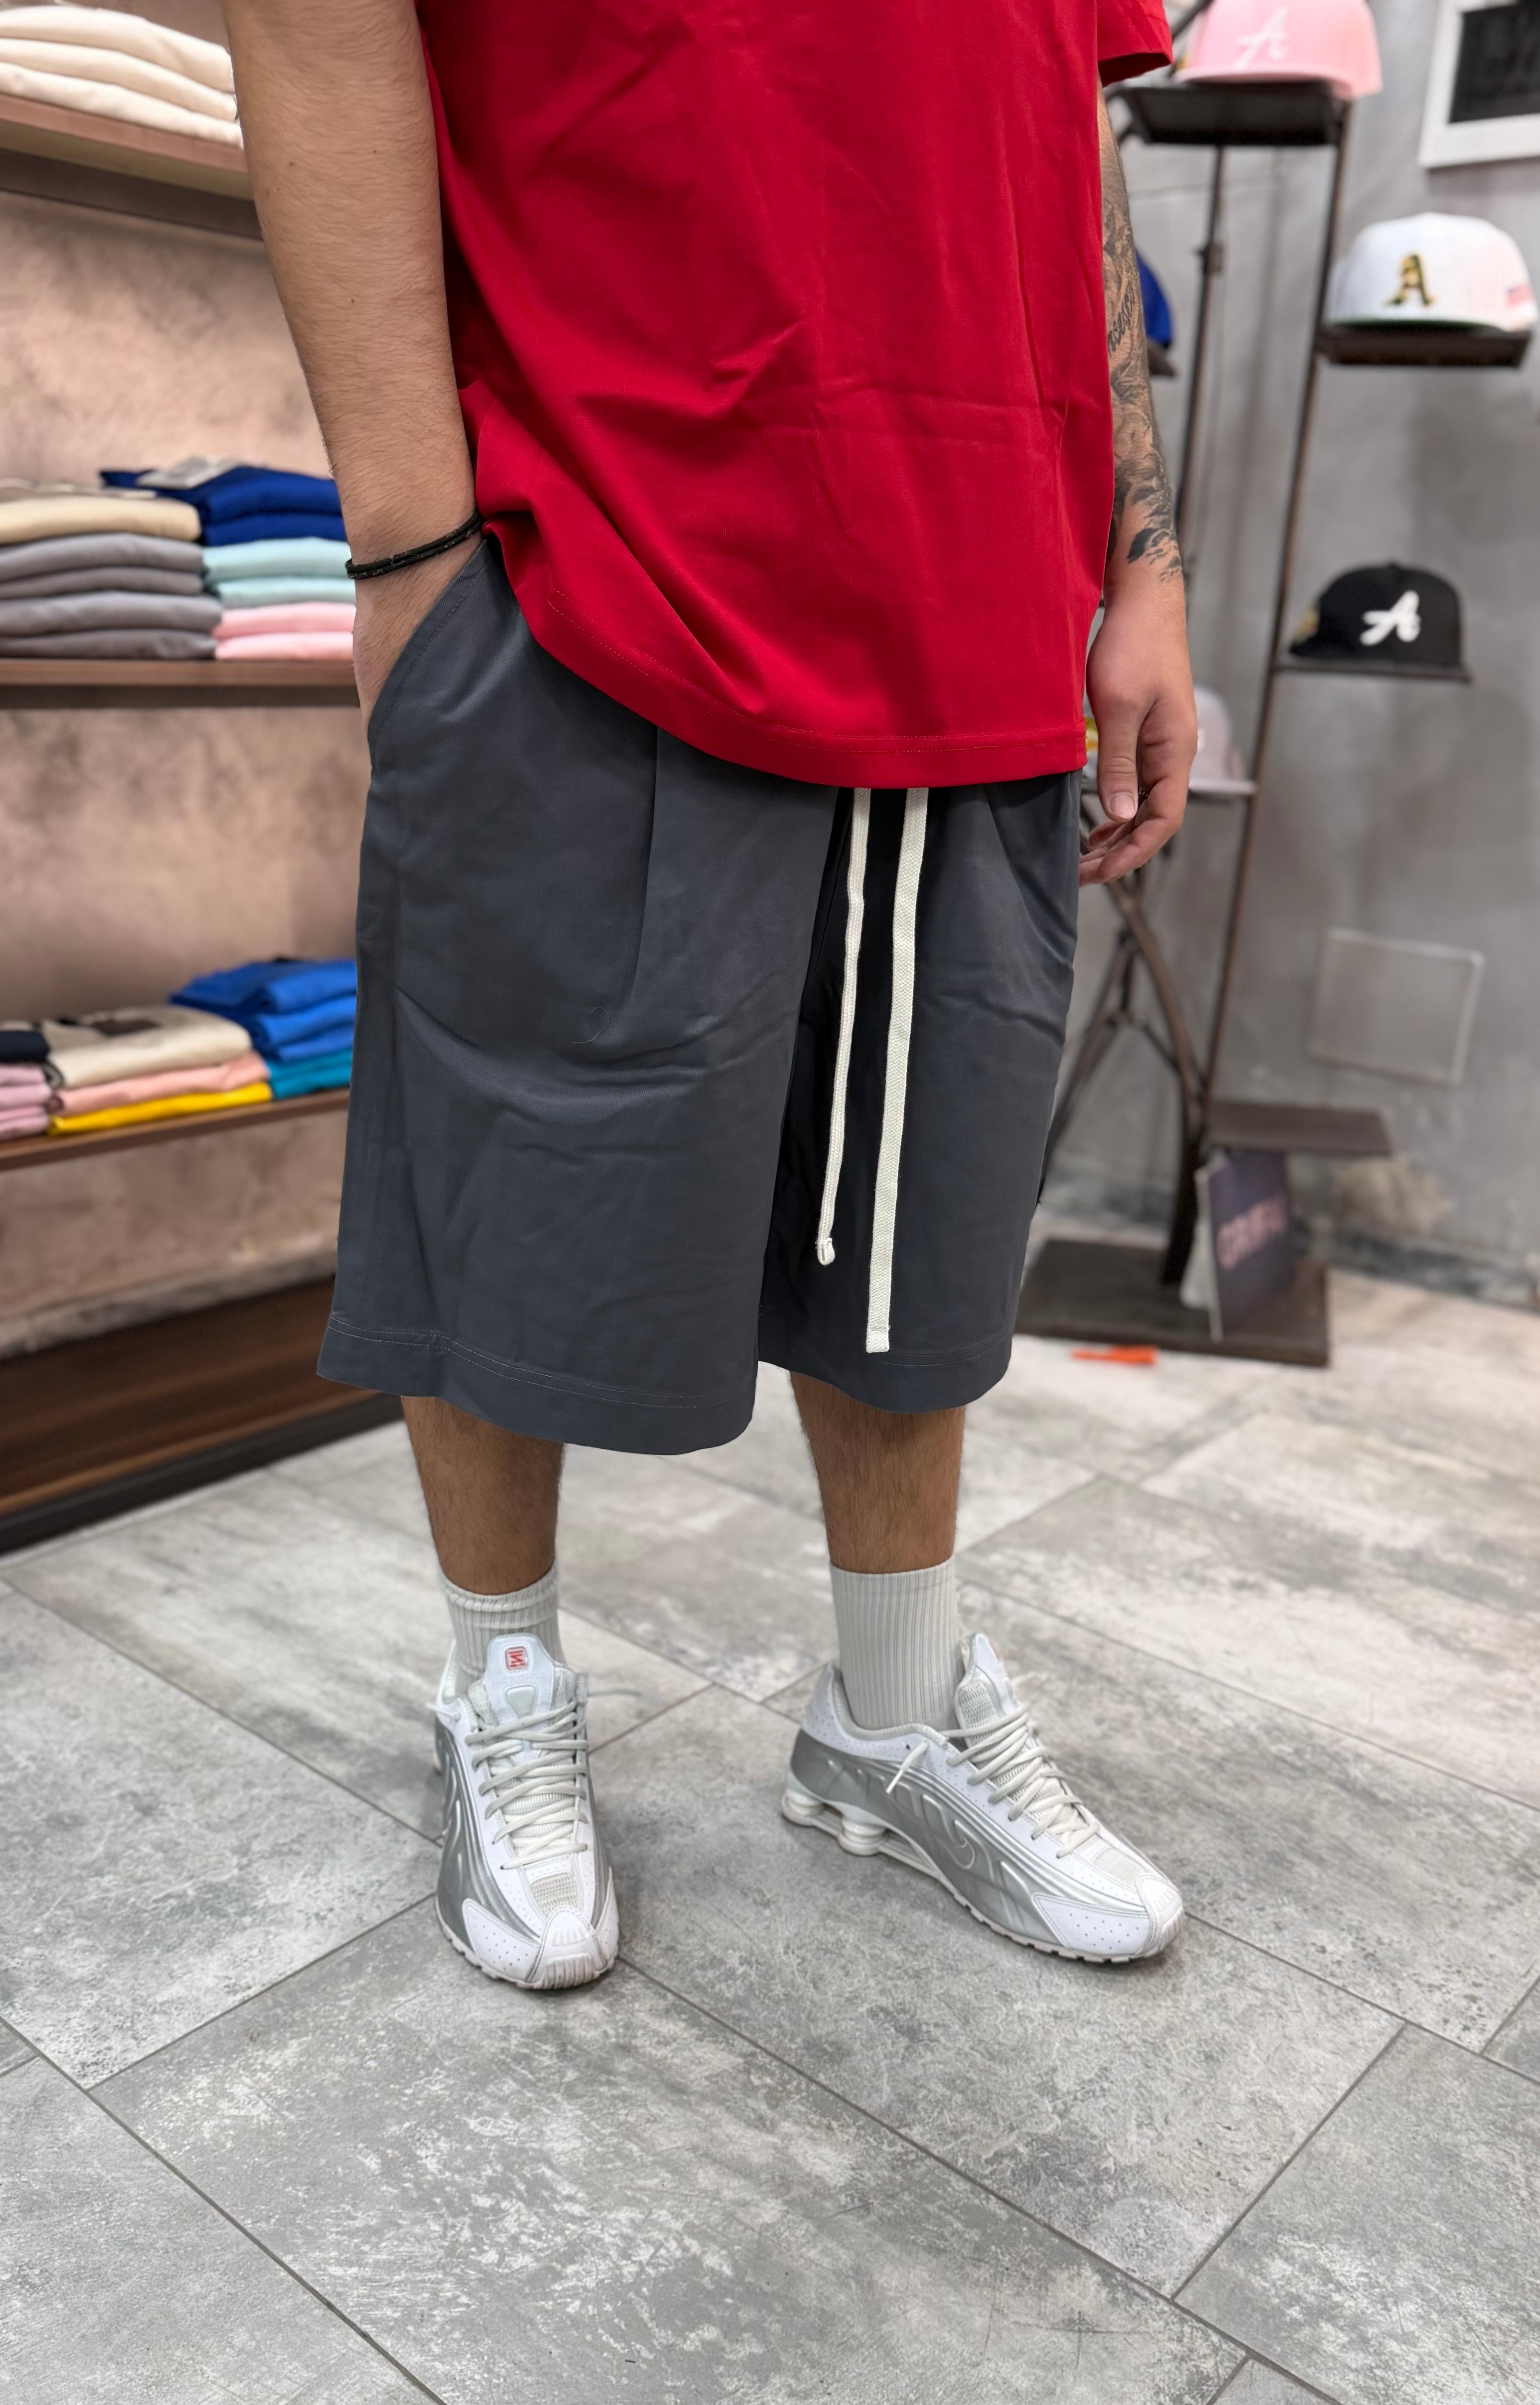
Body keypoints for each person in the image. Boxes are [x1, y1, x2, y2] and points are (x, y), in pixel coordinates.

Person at [226, 0, 1197, 1990]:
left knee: (929, 1191)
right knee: (517, 1151)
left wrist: (1145, 560)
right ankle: (501, 1686)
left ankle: (895, 1716)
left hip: (985, 573)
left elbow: (1065, 117)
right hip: (596, 539)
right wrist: (409, 552)